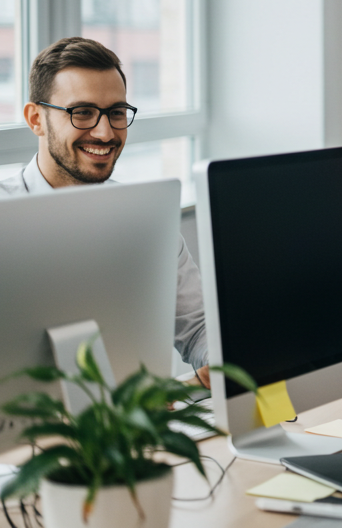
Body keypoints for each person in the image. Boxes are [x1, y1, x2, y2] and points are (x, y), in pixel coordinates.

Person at [1, 37, 208, 385]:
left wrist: (220, 364)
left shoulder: (144, 219)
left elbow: (199, 327)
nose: (104, 132)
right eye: (82, 112)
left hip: (131, 428)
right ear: (36, 119)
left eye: (115, 113)